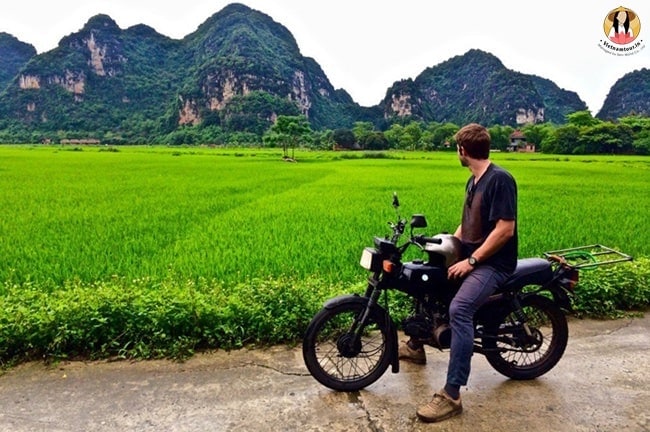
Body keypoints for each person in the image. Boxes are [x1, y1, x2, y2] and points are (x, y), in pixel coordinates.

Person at [399, 123, 518, 423]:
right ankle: (416, 346)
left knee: (460, 309)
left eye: (456, 148)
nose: (457, 153)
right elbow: (468, 225)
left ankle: (452, 395)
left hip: (494, 264)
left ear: (463, 151)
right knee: (429, 280)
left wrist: (472, 261)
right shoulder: (474, 181)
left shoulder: (500, 180)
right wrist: (445, 244)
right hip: (474, 257)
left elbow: (505, 230)